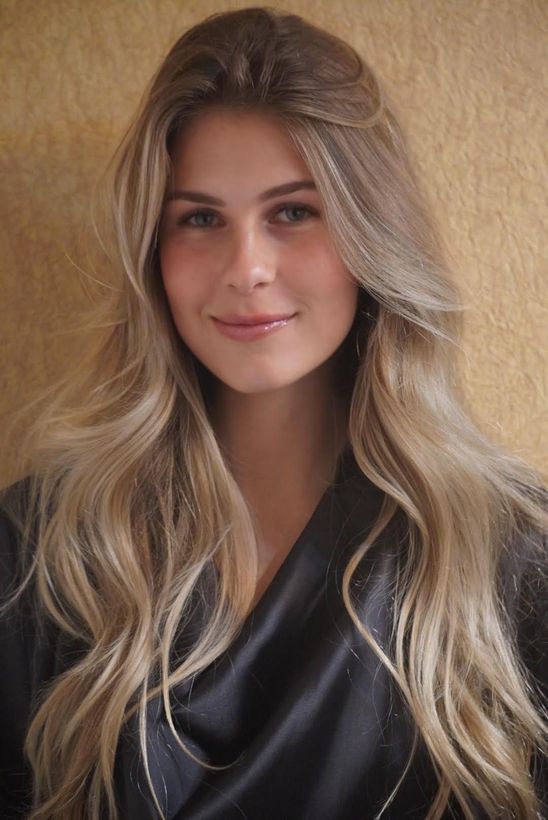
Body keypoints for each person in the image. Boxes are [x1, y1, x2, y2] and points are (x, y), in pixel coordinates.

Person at [1, 7, 547, 819]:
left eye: (293, 211)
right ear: (153, 252)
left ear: (372, 234)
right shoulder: (45, 548)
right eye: (200, 219)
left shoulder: (508, 554)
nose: (247, 268)